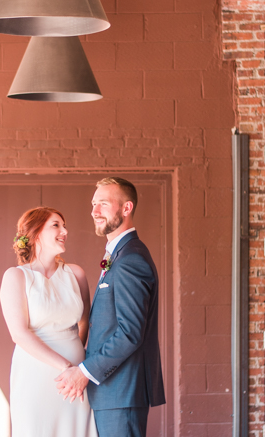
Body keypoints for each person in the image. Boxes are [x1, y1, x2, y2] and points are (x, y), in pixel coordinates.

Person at [55, 177, 166, 437]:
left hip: (121, 392)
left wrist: (85, 372)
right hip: (113, 392)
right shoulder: (119, 254)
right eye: (94, 204)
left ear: (126, 208)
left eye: (103, 204)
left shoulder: (130, 259)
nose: (94, 212)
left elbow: (130, 332)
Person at [0, 207, 98, 437]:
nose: (65, 231)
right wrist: (66, 368)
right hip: (36, 373)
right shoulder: (15, 277)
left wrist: (77, 369)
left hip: (76, 378)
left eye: (64, 226)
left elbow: (85, 323)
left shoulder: (76, 274)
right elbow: (19, 333)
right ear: (36, 233)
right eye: (56, 225)